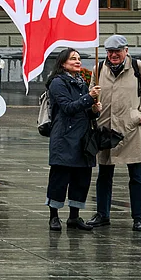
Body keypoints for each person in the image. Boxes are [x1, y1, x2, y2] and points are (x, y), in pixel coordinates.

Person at [90, 35, 141, 231]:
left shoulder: (138, 67)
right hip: (106, 129)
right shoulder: (98, 68)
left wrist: (139, 116)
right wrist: (93, 108)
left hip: (130, 129)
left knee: (136, 175)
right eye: (110, 52)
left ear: (126, 51)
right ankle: (102, 214)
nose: (113, 55)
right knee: (104, 175)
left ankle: (138, 217)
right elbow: (91, 95)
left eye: (117, 51)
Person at [44, 48, 100, 232]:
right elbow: (67, 107)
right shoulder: (57, 82)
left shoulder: (81, 82)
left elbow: (84, 112)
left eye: (78, 58)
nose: (78, 61)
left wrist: (94, 110)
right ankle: (54, 216)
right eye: (73, 59)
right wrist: (89, 98)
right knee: (59, 179)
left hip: (83, 138)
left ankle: (74, 217)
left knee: (81, 179)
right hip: (64, 138)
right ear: (62, 63)